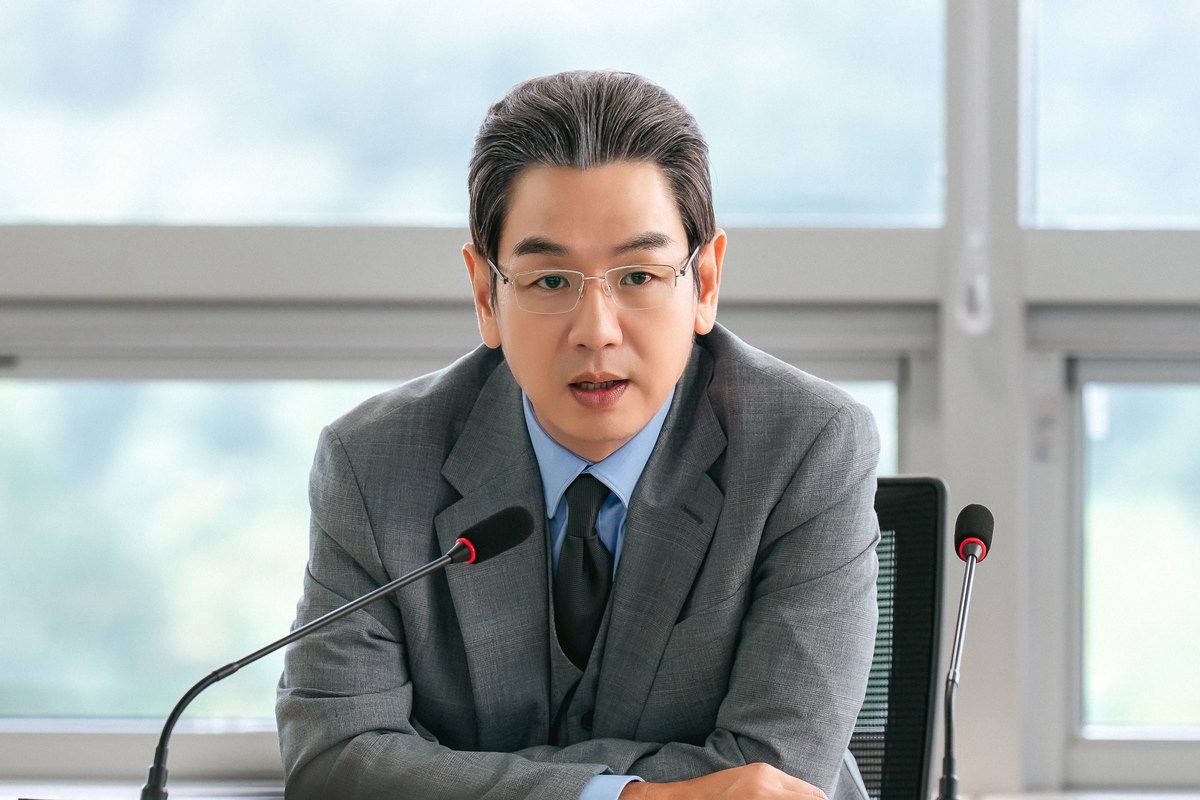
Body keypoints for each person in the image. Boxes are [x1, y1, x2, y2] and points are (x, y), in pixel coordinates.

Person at [276, 70, 879, 800]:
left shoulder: (807, 447)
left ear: (705, 283)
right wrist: (629, 796)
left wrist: (452, 774)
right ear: (486, 295)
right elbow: (335, 761)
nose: (597, 332)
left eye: (639, 276)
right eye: (551, 281)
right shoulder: (373, 464)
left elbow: (775, 775)